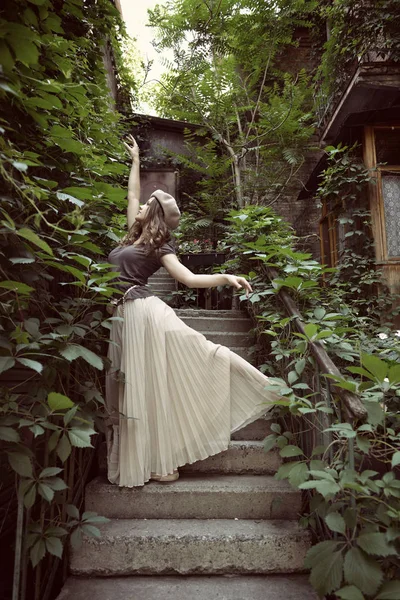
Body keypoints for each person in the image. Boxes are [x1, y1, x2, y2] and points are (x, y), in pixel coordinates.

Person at [104, 134, 281, 487]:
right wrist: (136, 160)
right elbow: (132, 196)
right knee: (134, 388)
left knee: (199, 354)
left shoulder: (159, 244)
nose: (138, 207)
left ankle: (262, 385)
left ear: (153, 212)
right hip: (123, 317)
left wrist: (226, 276)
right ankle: (154, 461)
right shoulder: (132, 235)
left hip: (144, 313)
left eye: (145, 206)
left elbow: (187, 279)